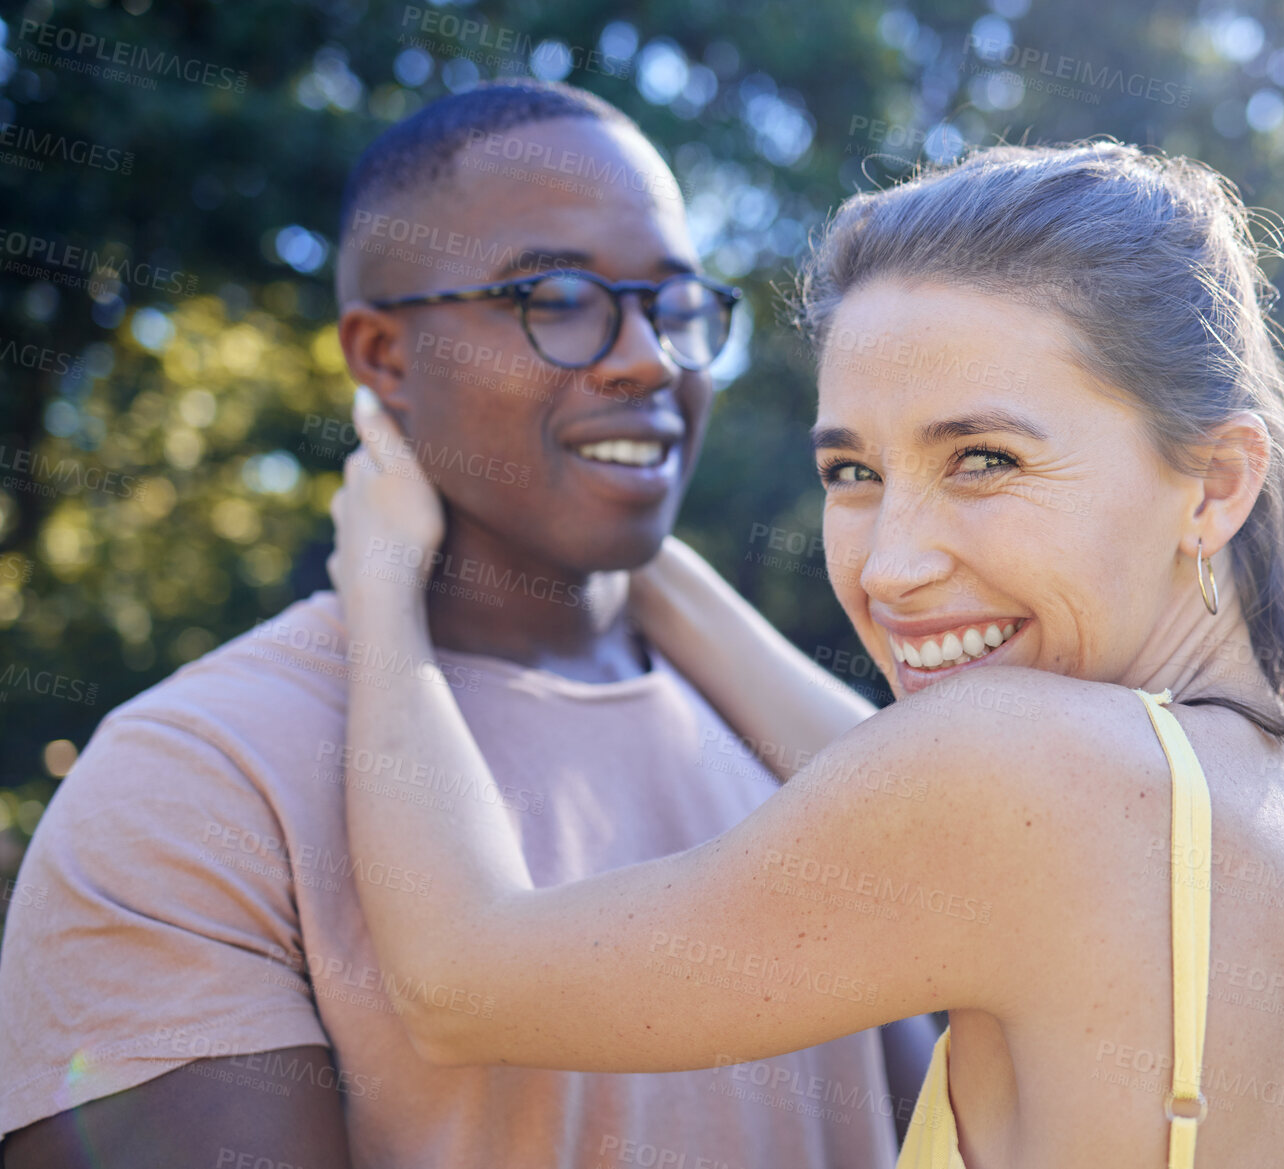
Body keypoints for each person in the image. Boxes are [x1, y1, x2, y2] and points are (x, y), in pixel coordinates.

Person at [326, 141, 1284, 1169]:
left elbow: (458, 979)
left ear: (1216, 483)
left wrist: (381, 580)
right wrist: (602, 522)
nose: (889, 565)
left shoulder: (1020, 782)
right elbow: (899, 794)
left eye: (984, 459)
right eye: (852, 473)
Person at [0, 80, 932, 1168]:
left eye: (675, 304)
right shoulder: (195, 778)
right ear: (383, 357)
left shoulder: (807, 751)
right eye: (556, 294)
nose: (649, 358)